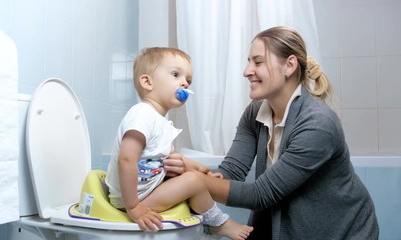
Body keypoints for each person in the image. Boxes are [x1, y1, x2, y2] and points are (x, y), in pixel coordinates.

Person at [163, 26, 379, 239]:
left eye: (257, 62)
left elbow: (261, 194)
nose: (246, 71)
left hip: (346, 232)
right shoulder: (255, 112)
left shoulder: (317, 124)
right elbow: (231, 172)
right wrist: (191, 169)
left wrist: (191, 180)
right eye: (248, 62)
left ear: (289, 65)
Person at [105, 47, 254, 239]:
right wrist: (133, 206)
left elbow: (169, 161)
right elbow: (126, 159)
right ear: (147, 82)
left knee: (192, 176)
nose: (184, 83)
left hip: (145, 191)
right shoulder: (141, 114)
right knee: (193, 181)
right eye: (176, 75)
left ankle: (209, 218)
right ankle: (218, 223)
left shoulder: (161, 122)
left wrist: (203, 170)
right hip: (131, 199)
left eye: (188, 80)